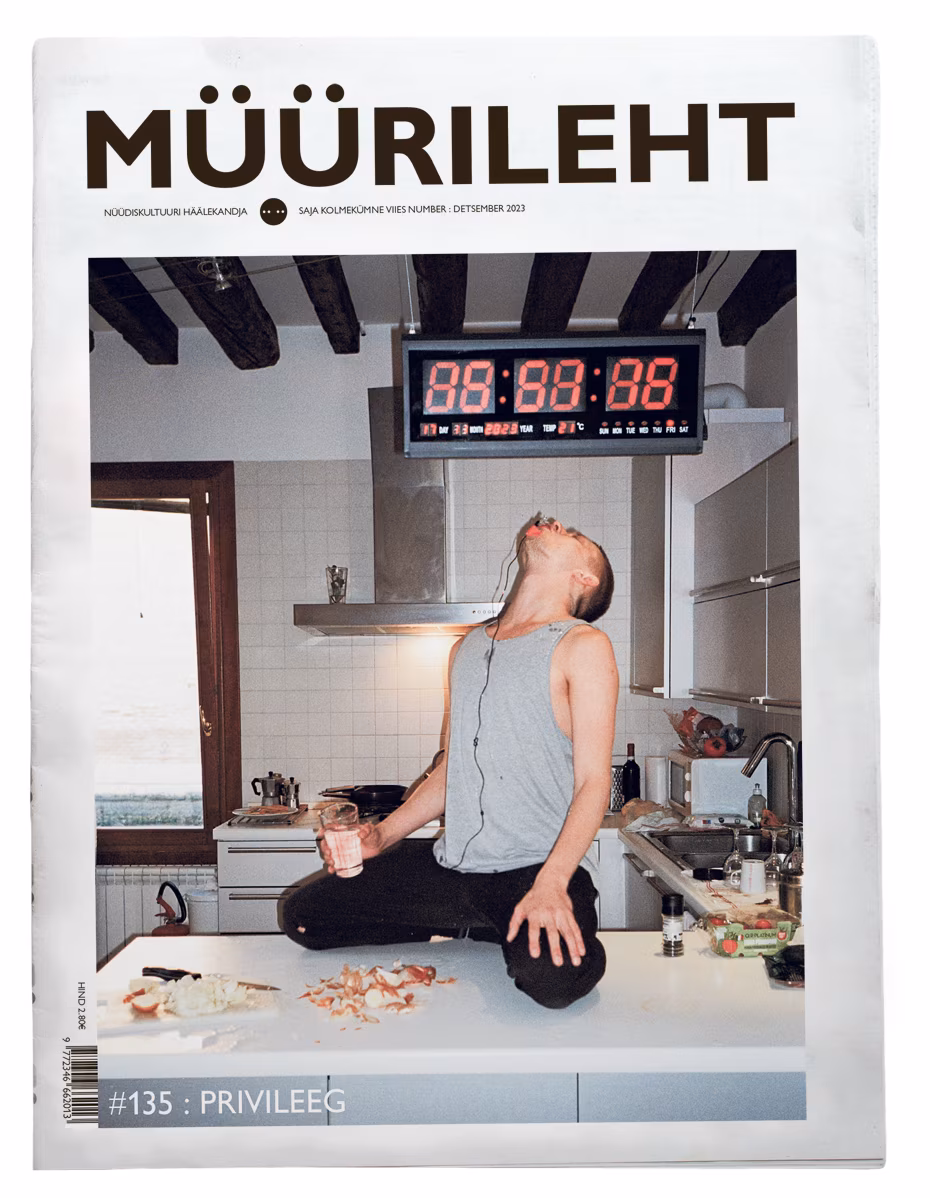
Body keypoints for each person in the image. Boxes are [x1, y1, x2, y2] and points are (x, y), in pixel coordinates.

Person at [280, 516, 619, 1009]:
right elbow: (451, 771)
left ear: (583, 578)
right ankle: (474, 926)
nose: (557, 525)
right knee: (304, 919)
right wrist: (382, 836)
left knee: (552, 983)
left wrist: (553, 882)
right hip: (455, 868)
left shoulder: (582, 645)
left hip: (536, 868)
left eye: (574, 536)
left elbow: (593, 782)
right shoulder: (467, 647)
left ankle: (538, 923)